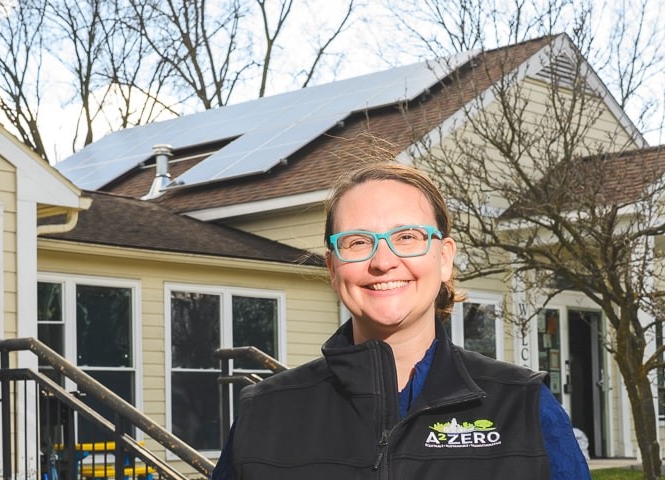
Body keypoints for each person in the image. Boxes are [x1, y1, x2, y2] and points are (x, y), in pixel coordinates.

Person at [211, 162, 590, 479]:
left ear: (444, 258)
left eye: (407, 236)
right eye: (358, 242)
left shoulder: (523, 406)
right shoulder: (265, 412)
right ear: (332, 267)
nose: (383, 261)